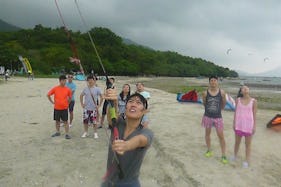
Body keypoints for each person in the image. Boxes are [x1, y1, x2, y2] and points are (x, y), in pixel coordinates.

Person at [101, 92, 153, 187]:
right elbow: (111, 117)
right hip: (108, 181)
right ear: (125, 108)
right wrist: (113, 102)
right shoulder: (118, 122)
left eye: (138, 103)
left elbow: (140, 140)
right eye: (130, 101)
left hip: (129, 183)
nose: (133, 104)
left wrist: (126, 145)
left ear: (144, 111)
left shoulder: (146, 132)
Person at [201, 75, 228, 164]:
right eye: (211, 80)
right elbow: (204, 103)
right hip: (208, 116)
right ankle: (209, 150)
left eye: (214, 80)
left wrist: (220, 110)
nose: (213, 82)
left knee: (221, 136)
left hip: (218, 117)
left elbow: (224, 103)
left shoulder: (222, 92)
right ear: (209, 82)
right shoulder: (205, 93)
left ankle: (223, 155)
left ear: (217, 82)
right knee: (207, 134)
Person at [232, 85, 257, 168]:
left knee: (248, 144)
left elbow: (254, 115)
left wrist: (254, 126)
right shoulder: (238, 100)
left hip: (249, 125)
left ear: (249, 90)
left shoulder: (254, 101)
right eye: (243, 88)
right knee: (237, 142)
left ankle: (246, 160)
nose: (245, 88)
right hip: (239, 124)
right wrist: (234, 122)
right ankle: (235, 155)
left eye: (247, 87)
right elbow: (235, 112)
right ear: (241, 91)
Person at [47, 75, 72, 139]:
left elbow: (70, 97)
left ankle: (67, 134)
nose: (64, 82)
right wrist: (52, 102)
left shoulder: (68, 89)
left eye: (65, 80)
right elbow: (48, 94)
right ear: (60, 81)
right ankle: (57, 132)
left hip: (64, 108)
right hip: (57, 108)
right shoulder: (55, 88)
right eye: (63, 80)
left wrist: (67, 104)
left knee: (65, 121)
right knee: (57, 121)